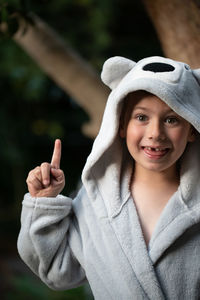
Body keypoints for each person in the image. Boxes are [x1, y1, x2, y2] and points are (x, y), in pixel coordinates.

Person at [18, 56, 200, 300]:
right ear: (121, 125)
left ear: (191, 128)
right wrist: (43, 204)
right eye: (141, 117)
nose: (156, 133)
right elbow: (57, 272)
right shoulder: (95, 202)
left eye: (171, 119)